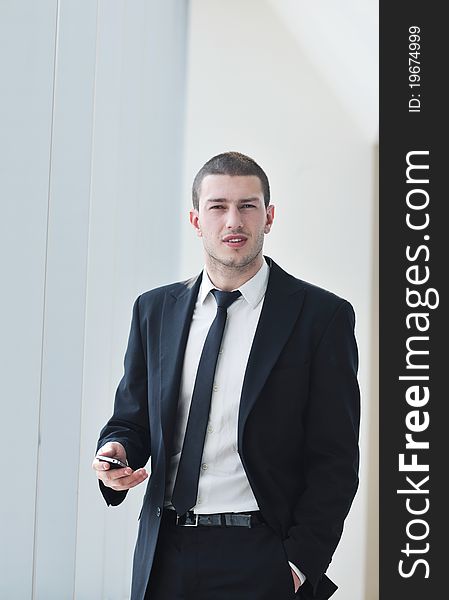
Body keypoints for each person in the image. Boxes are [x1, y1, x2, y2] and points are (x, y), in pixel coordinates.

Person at [93, 151, 360, 600]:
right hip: (165, 552)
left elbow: (335, 459)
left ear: (268, 217)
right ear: (196, 220)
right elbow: (132, 419)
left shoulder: (321, 317)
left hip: (262, 553)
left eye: (247, 206)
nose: (232, 220)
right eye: (217, 207)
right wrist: (116, 449)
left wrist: (298, 565)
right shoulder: (154, 311)